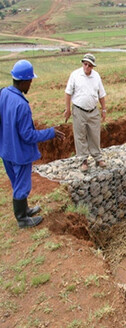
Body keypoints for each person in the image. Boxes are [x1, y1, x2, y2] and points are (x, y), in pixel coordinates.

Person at [0, 59, 65, 229]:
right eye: (30, 81)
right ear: (23, 81)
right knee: (22, 185)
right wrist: (50, 132)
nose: (31, 84)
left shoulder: (3, 94)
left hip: (6, 149)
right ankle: (22, 219)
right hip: (19, 153)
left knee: (16, 182)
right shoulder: (22, 105)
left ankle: (25, 209)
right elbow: (28, 135)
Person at [64, 53, 107, 172]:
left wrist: (104, 109)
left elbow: (101, 94)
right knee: (80, 135)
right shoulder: (75, 75)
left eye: (89, 65)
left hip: (93, 111)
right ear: (82, 63)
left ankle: (98, 158)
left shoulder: (96, 76)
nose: (87, 67)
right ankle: (83, 160)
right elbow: (68, 93)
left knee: (94, 134)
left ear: (93, 66)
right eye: (85, 64)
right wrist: (67, 109)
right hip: (79, 110)